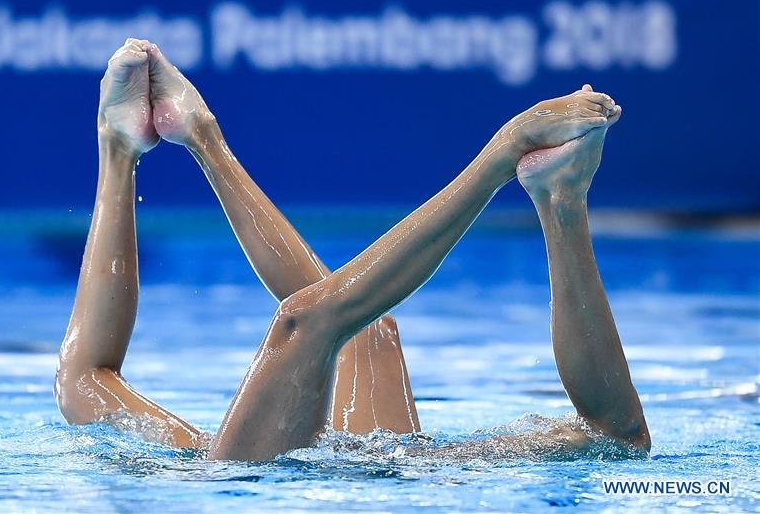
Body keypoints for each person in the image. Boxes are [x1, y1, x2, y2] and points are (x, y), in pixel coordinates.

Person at [54, 39, 650, 462]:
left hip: (239, 472)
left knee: (322, 325)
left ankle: (552, 194)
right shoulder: (422, 466)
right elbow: (619, 435)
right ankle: (521, 174)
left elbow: (83, 373)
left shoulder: (198, 466)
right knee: (352, 327)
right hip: (368, 467)